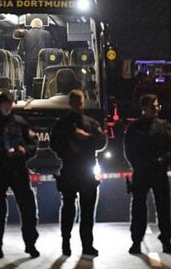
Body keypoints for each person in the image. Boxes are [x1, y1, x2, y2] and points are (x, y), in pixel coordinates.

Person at [0, 91, 39, 259]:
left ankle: (30, 244)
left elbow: (32, 143)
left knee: (28, 208)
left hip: (18, 169)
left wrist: (25, 151)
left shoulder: (20, 123)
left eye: (9, 104)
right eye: (4, 104)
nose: (7, 107)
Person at [50, 89, 107, 257]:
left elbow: (102, 142)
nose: (78, 106)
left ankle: (87, 245)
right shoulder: (62, 124)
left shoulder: (90, 123)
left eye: (80, 103)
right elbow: (54, 144)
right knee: (68, 209)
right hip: (70, 168)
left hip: (86, 170)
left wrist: (86, 137)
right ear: (71, 103)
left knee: (87, 211)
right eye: (76, 103)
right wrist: (69, 147)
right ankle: (66, 243)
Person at [124, 94, 171, 254]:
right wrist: (139, 165)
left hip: (159, 171)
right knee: (138, 208)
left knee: (163, 208)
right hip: (141, 172)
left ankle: (166, 240)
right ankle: (136, 241)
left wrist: (162, 161)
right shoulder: (134, 128)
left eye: (157, 106)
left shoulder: (164, 126)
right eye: (153, 106)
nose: (156, 109)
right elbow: (129, 151)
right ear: (144, 108)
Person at [18, 18, 52, 97]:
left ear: (31, 25)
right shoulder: (47, 34)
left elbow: (20, 51)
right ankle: (42, 96)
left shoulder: (25, 34)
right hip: (43, 62)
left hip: (29, 61)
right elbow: (51, 48)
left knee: (29, 82)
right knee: (42, 79)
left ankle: (29, 96)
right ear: (41, 26)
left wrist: (23, 60)